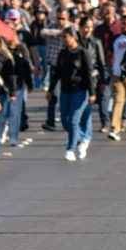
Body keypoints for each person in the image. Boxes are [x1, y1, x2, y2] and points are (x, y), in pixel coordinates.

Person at [48, 26, 96, 162]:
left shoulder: (82, 53)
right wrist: (51, 90)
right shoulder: (63, 53)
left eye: (65, 36)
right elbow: (57, 72)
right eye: (62, 37)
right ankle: (81, 139)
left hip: (80, 91)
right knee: (65, 120)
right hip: (65, 91)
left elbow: (88, 73)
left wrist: (92, 93)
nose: (63, 39)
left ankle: (70, 149)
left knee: (74, 119)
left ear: (73, 36)